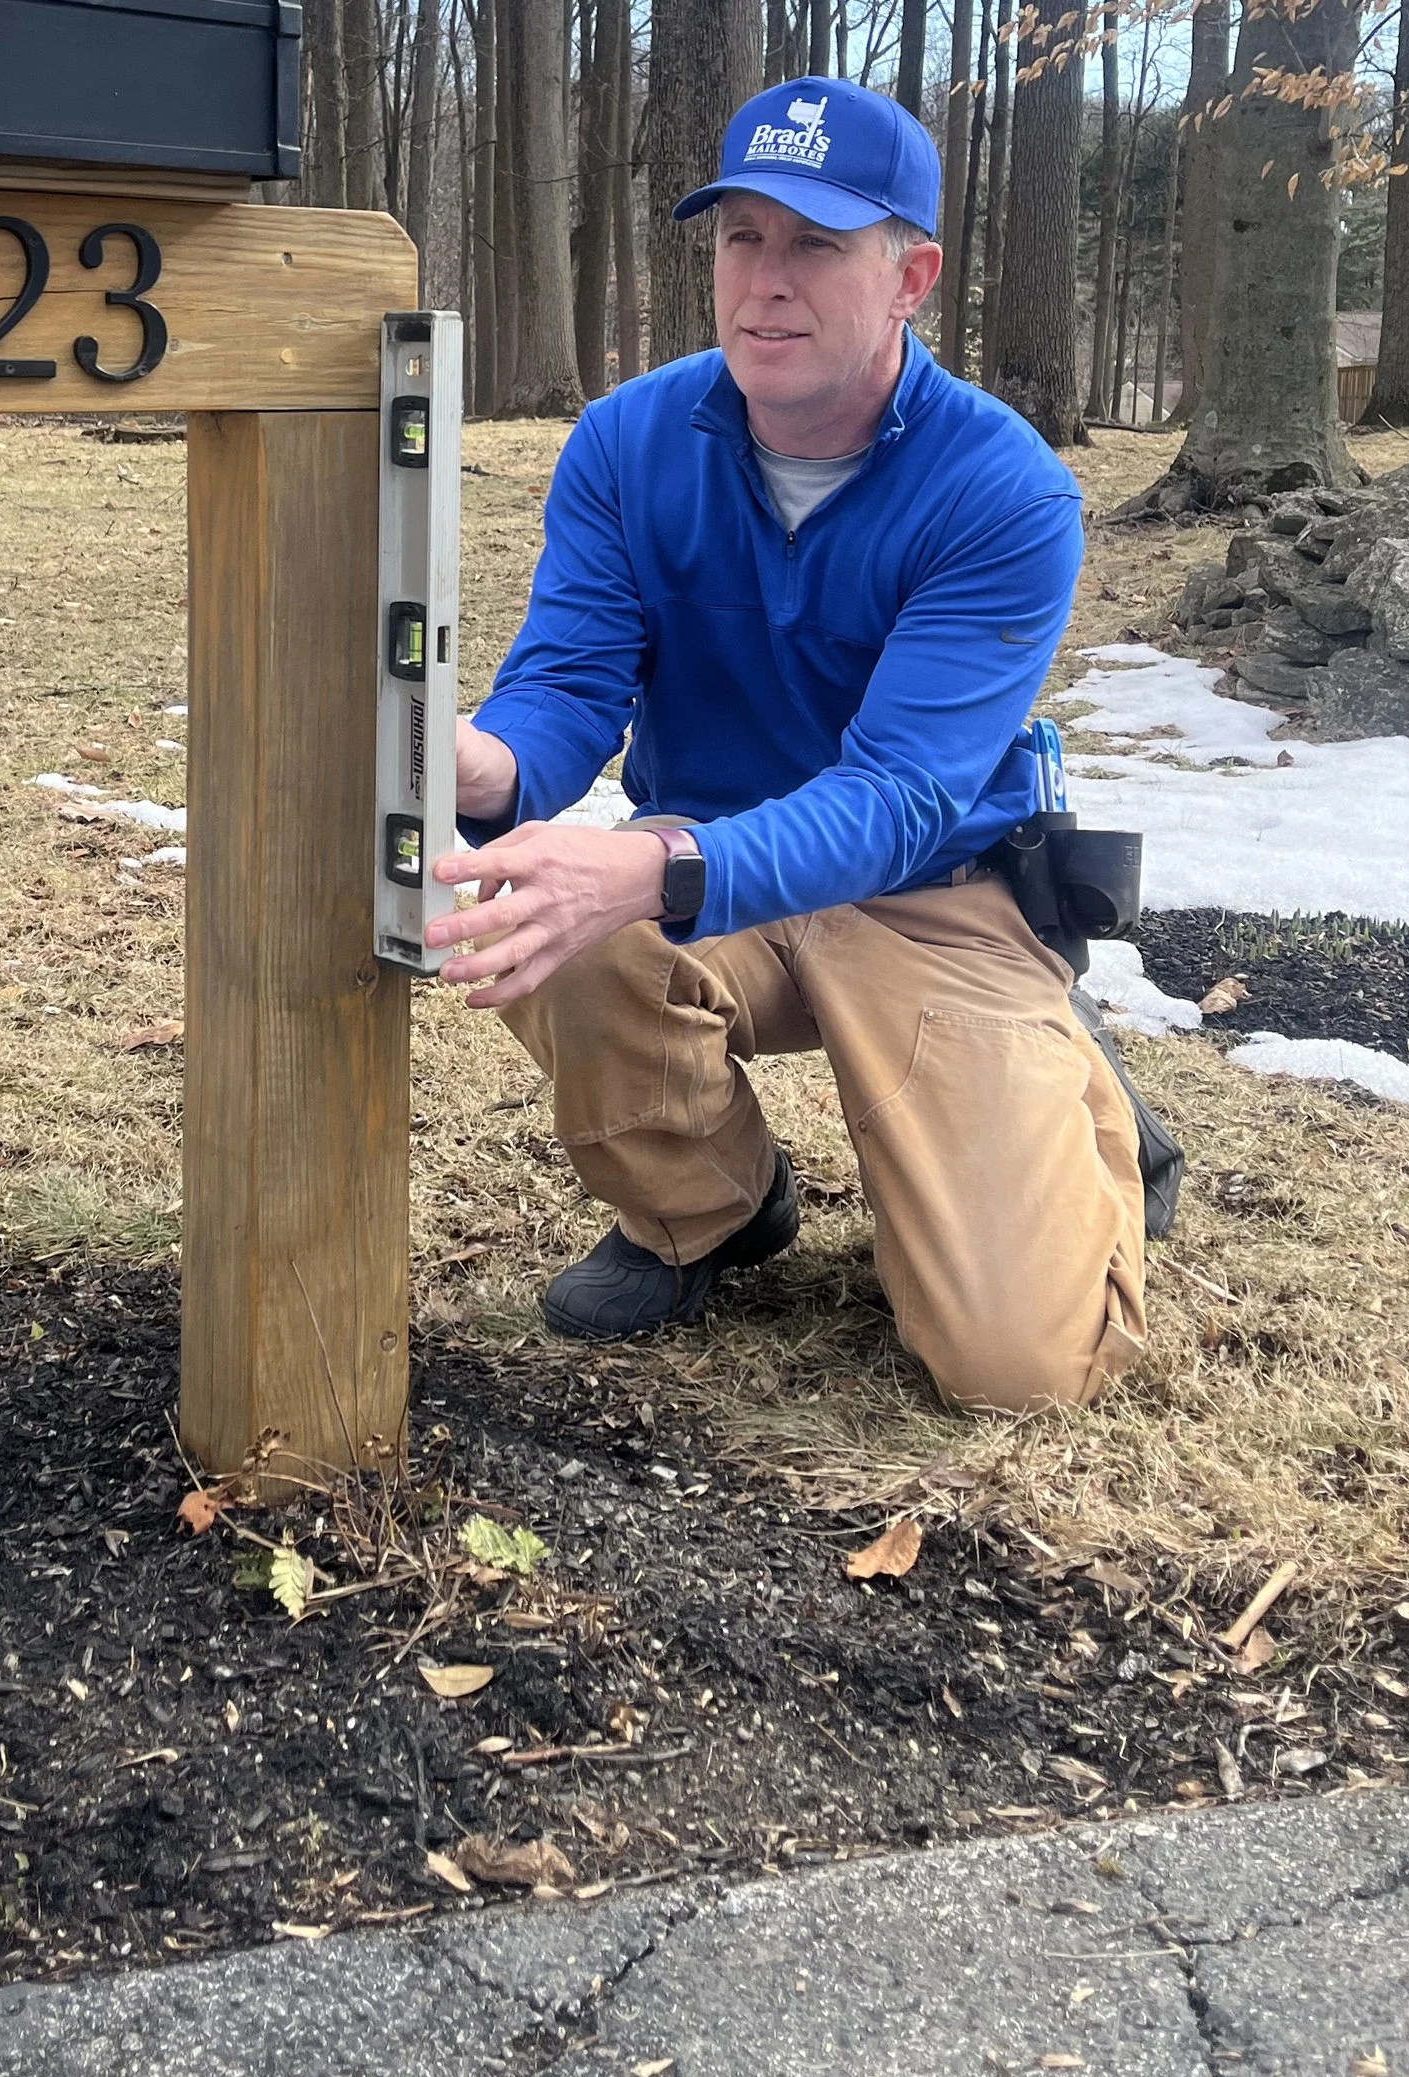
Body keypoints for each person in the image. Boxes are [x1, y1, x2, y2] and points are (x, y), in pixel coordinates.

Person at [423, 74, 1146, 1412]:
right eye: (740, 237)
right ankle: (710, 1211)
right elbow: (571, 684)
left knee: (1015, 1366)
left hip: (929, 897)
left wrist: (647, 872)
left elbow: (900, 797)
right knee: (540, 917)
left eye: (816, 243)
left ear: (910, 272)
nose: (767, 280)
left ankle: (1085, 1100)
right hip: (711, 883)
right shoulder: (627, 444)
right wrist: (489, 766)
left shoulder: (1005, 490)